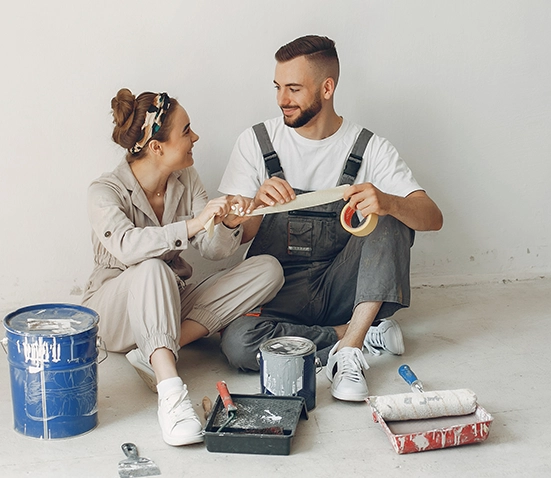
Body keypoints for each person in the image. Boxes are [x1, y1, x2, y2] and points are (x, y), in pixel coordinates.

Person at [218, 35, 443, 402]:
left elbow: (432, 216)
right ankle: (356, 332)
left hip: (344, 287)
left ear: (327, 88)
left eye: (293, 89)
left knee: (389, 212)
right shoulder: (255, 142)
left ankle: (349, 351)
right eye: (277, 87)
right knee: (238, 343)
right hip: (277, 291)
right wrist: (254, 205)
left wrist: (387, 201)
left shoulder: (370, 147)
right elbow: (239, 236)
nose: (281, 100)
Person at [82, 89, 284, 446]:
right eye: (186, 130)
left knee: (268, 268)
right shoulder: (105, 191)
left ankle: (154, 350)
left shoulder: (186, 180)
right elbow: (129, 247)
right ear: (156, 147)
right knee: (151, 268)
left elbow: (213, 249)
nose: (195, 137)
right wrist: (193, 224)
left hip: (170, 298)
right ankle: (171, 395)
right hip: (113, 312)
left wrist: (230, 223)